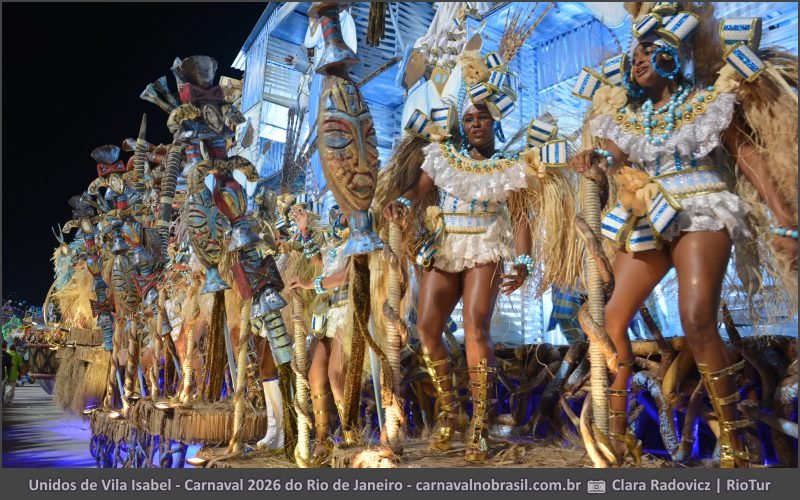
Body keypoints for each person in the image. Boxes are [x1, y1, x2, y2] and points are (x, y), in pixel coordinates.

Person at [570, 5, 797, 468]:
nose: (638, 60)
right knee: (611, 321)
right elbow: (610, 157)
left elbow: (746, 154)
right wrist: (593, 160)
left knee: (696, 320)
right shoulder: (626, 118)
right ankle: (619, 439)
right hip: (649, 216)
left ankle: (735, 440)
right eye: (634, 54)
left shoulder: (709, 102)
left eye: (649, 51)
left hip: (701, 209)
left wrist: (783, 218)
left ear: (675, 54)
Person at [286, 203, 351, 466]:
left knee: (336, 376)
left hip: (350, 311)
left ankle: (351, 435)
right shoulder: (336, 234)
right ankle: (322, 440)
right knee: (315, 375)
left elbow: (349, 275)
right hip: (328, 311)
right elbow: (321, 265)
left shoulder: (364, 228)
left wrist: (313, 284)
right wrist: (304, 233)